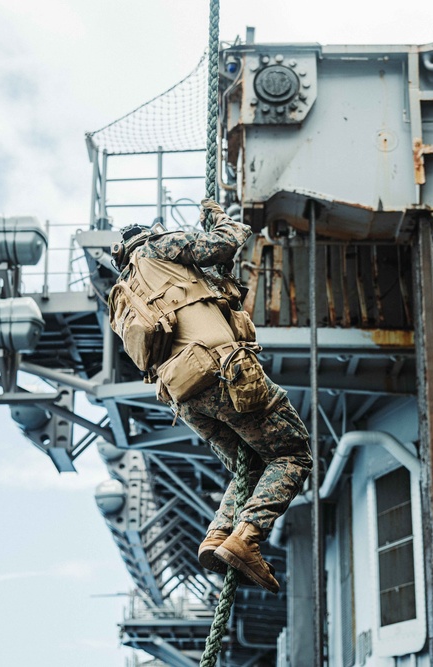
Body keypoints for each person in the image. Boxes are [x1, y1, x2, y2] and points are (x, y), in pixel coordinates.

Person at [107, 198, 312, 593]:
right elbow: (230, 239)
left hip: (184, 396)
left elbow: (207, 291)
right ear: (146, 238)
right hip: (223, 372)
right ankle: (247, 539)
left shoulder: (124, 294)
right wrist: (216, 217)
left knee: (249, 465)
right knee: (292, 453)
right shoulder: (160, 247)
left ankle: (218, 535)